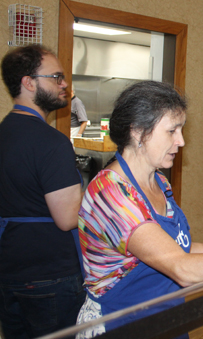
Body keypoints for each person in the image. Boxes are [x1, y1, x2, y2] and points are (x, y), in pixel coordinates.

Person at [76, 81, 203, 338]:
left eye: (182, 129)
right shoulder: (111, 194)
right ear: (137, 131)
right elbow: (182, 267)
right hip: (122, 324)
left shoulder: (159, 181)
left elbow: (179, 247)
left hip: (165, 319)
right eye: (172, 131)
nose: (181, 141)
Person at [0, 45, 85, 338]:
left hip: (9, 271)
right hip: (50, 276)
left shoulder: (4, 132)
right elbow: (67, 218)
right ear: (29, 82)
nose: (64, 85)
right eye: (57, 77)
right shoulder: (52, 143)